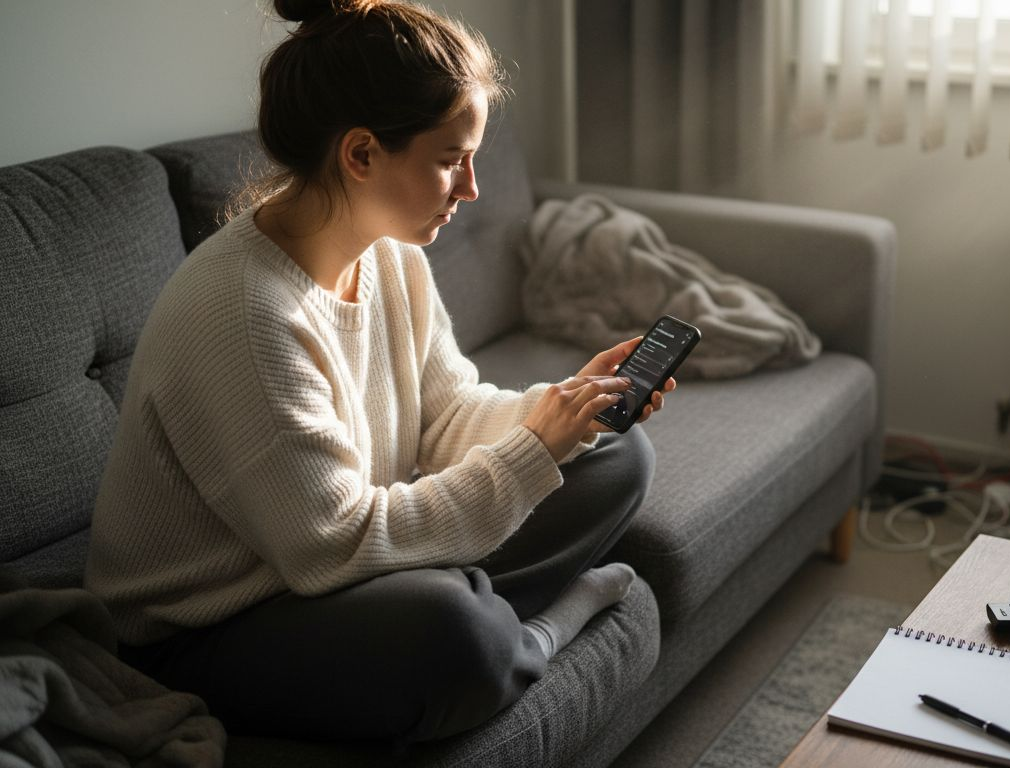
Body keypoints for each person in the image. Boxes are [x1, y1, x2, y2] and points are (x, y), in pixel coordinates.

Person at [84, 0, 672, 745]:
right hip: (213, 626)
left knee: (617, 451)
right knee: (453, 632)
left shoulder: (390, 256)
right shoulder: (246, 311)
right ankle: (528, 633)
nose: (470, 189)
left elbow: (446, 416)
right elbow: (330, 547)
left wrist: (560, 411)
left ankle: (481, 609)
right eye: (449, 160)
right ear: (360, 154)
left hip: (335, 571)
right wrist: (531, 456)